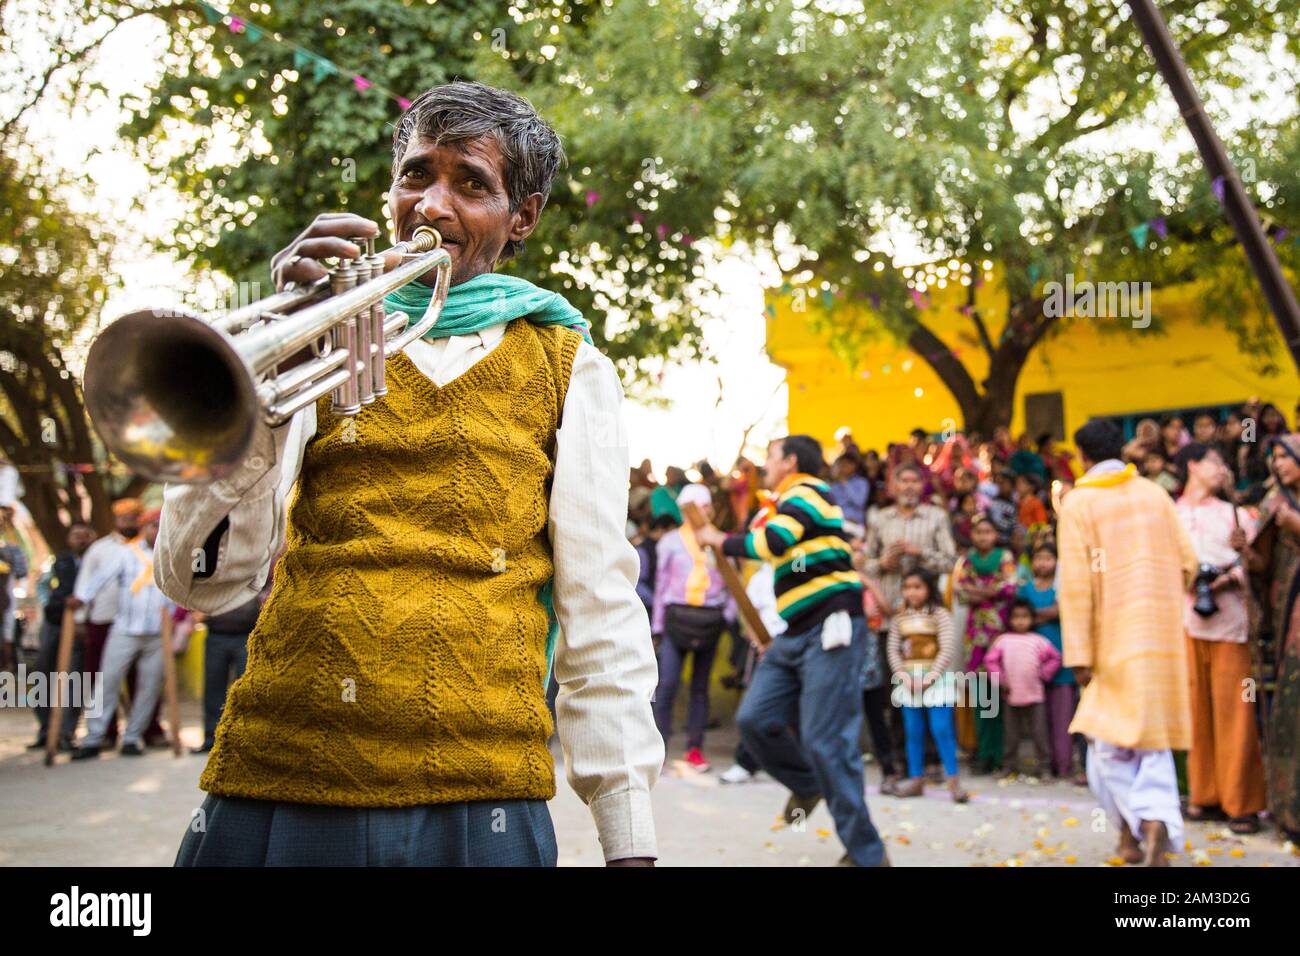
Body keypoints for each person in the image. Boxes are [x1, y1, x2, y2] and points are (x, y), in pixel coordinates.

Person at [154, 81, 662, 867]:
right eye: (416, 175)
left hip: (481, 788)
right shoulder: (320, 332)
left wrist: (628, 832)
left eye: (472, 184)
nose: (432, 205)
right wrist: (270, 367)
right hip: (283, 768)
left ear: (521, 216)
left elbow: (600, 607)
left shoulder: (569, 366)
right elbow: (202, 584)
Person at [695, 435, 887, 867]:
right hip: (795, 630)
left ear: (791, 460)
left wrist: (718, 537)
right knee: (755, 719)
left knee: (827, 741)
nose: (766, 464)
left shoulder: (808, 492)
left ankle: (868, 855)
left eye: (772, 455)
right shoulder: (783, 501)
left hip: (832, 625)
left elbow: (774, 543)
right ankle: (807, 784)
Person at [1058, 419, 1198, 867]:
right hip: (1160, 640)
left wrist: (1079, 655)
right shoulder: (1155, 494)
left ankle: (1137, 827)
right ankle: (1150, 825)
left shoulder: (1079, 503)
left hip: (1109, 640)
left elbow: (1076, 586)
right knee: (1151, 742)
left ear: (1083, 455)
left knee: (1107, 743)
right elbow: (1189, 563)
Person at [1174, 442, 1265, 833]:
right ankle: (1204, 796)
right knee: (1194, 710)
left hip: (1230, 624)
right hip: (1185, 622)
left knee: (1237, 712)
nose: (1221, 469)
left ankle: (1240, 802)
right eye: (1214, 461)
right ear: (1193, 464)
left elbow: (1258, 564)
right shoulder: (1170, 513)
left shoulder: (1238, 513)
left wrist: (1231, 575)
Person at [68, 509, 173, 758]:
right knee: (107, 683)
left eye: (161, 525)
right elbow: (101, 578)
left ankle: (133, 737)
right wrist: (82, 598)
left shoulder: (171, 556)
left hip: (157, 633)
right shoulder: (125, 554)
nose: (156, 530)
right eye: (152, 525)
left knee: (149, 687)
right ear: (143, 527)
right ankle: (94, 738)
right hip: (124, 629)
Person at [650, 483, 736, 772]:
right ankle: (658, 749)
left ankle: (694, 749)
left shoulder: (720, 542)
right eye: (694, 507)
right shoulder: (670, 542)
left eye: (705, 506)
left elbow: (732, 582)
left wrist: (727, 616)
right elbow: (661, 585)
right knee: (668, 684)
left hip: (709, 619)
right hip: (677, 618)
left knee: (700, 688)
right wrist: (658, 626)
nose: (701, 512)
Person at [886, 569, 966, 802]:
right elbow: (893, 649)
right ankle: (916, 779)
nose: (912, 592)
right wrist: (903, 676)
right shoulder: (899, 618)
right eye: (907, 587)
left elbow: (947, 647)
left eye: (917, 586)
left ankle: (953, 781)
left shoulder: (940, 615)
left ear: (929, 588)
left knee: (942, 729)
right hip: (909, 681)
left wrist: (931, 677)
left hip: (936, 680)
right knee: (913, 732)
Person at [953, 514, 1018, 773]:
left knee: (999, 693)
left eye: (988, 531)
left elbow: (1009, 588)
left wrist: (978, 592)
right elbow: (960, 590)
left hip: (999, 633)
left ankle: (999, 753)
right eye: (978, 531)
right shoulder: (968, 559)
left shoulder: (1005, 557)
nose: (983, 536)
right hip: (975, 635)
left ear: (996, 534)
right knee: (981, 695)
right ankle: (983, 752)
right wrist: (990, 591)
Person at [1017, 544, 1081, 783]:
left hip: (1062, 660)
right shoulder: (1025, 590)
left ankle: (1063, 766)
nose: (1043, 563)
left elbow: (1062, 611)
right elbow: (1021, 616)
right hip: (1030, 664)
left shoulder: (1063, 588)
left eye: (1048, 558)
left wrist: (1035, 615)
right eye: (1038, 558)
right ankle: (1043, 765)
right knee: (1038, 720)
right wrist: (1047, 613)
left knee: (1062, 717)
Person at [29, 522, 95, 751]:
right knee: (41, 675)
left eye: (85, 536)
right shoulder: (60, 561)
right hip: (55, 622)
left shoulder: (97, 562)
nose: (81, 540)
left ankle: (67, 731)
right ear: (69, 539)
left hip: (81, 626)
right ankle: (47, 730)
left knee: (74, 679)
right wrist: (55, 604)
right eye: (77, 536)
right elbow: (43, 588)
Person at [984, 599, 1061, 778]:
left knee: (1040, 734)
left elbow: (1055, 658)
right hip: (1010, 696)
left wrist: (1044, 674)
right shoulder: (1003, 641)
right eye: (1016, 617)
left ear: (1032, 619)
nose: (1020, 621)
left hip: (1035, 695)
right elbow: (990, 661)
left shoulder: (1039, 641)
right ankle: (1009, 766)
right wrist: (1001, 680)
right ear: (1009, 619)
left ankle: (1044, 768)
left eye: (1025, 617)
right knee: (1011, 735)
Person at [192, 588, 265, 756]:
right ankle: (212, 739)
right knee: (213, 688)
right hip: (216, 635)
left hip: (248, 635)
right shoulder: (209, 564)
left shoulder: (258, 563)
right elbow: (196, 584)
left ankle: (246, 741)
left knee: (247, 691)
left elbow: (269, 586)